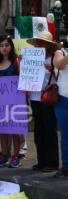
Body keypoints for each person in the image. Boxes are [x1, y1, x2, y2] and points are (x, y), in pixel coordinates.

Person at [26, 31, 59, 172]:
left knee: (49, 129)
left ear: (48, 45)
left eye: (42, 42)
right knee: (38, 130)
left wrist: (53, 70)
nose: (39, 44)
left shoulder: (53, 59)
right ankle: (41, 161)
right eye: (38, 42)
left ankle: (52, 163)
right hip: (34, 97)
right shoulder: (31, 58)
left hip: (47, 98)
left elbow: (60, 77)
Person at [0, 35, 22, 168]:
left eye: (7, 45)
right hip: (0, 102)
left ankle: (16, 156)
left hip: (14, 102)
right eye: (2, 45)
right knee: (3, 129)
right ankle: (5, 154)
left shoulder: (16, 61)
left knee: (15, 129)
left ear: (11, 46)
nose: (4, 48)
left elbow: (22, 78)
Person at [53, 41, 68, 178]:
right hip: (64, 99)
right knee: (66, 134)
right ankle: (66, 166)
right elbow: (60, 65)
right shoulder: (60, 53)